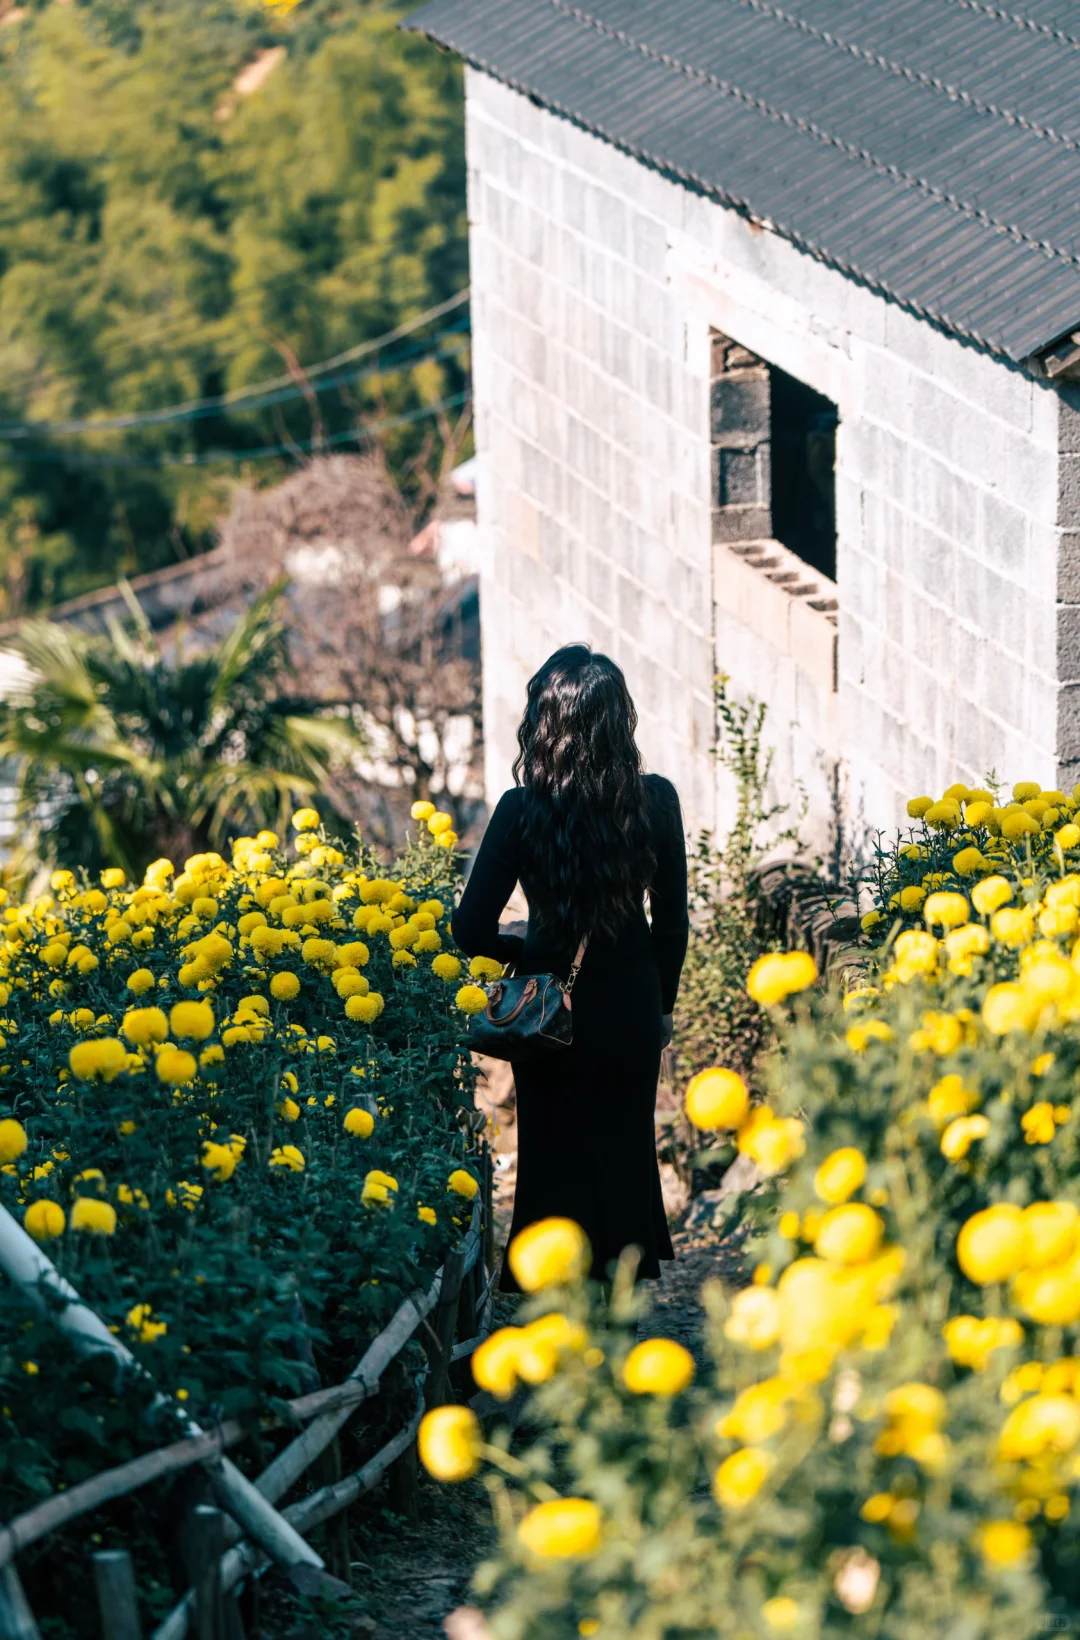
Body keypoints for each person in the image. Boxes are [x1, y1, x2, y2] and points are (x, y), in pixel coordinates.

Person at [452, 643, 690, 1290]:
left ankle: (552, 1286)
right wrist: (662, 1009)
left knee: (555, 1149)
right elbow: (672, 925)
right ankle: (625, 1284)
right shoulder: (657, 802)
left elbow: (468, 929)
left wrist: (522, 948)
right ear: (621, 722)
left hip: (551, 1006)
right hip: (634, 1002)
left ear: (543, 722)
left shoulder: (520, 811)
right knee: (624, 1144)